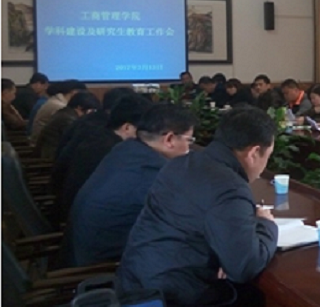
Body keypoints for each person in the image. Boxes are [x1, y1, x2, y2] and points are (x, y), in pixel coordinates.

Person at [118, 107, 278, 307]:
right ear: (253, 152)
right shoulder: (230, 188)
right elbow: (244, 266)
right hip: (172, 298)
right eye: (267, 156)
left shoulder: (179, 164)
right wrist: (266, 224)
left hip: (135, 283)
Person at [67, 104, 197, 266]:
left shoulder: (126, 149)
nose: (189, 148)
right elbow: (188, 224)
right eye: (189, 140)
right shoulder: (154, 174)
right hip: (104, 266)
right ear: (169, 139)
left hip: (80, 249)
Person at [54, 94, 152, 223]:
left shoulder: (99, 136)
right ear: (127, 127)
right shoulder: (114, 151)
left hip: (73, 212)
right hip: (78, 220)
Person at [35, 91, 100, 160]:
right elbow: (75, 143)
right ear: (79, 107)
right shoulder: (68, 120)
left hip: (49, 153)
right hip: (51, 157)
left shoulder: (64, 113)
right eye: (91, 111)